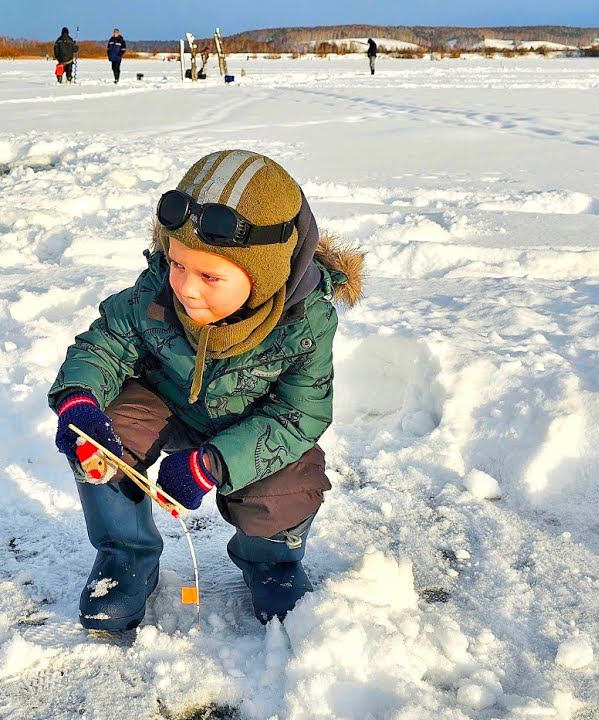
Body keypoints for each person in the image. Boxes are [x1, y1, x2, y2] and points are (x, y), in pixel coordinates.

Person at [48, 149, 363, 631]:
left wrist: (213, 462)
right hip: (167, 403)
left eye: (210, 276)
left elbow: (300, 415)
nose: (186, 288)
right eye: (177, 265)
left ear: (264, 275)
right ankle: (125, 556)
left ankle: (272, 563)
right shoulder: (156, 289)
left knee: (289, 479)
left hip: (253, 424)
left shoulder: (306, 323)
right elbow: (105, 345)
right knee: (100, 442)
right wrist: (78, 401)